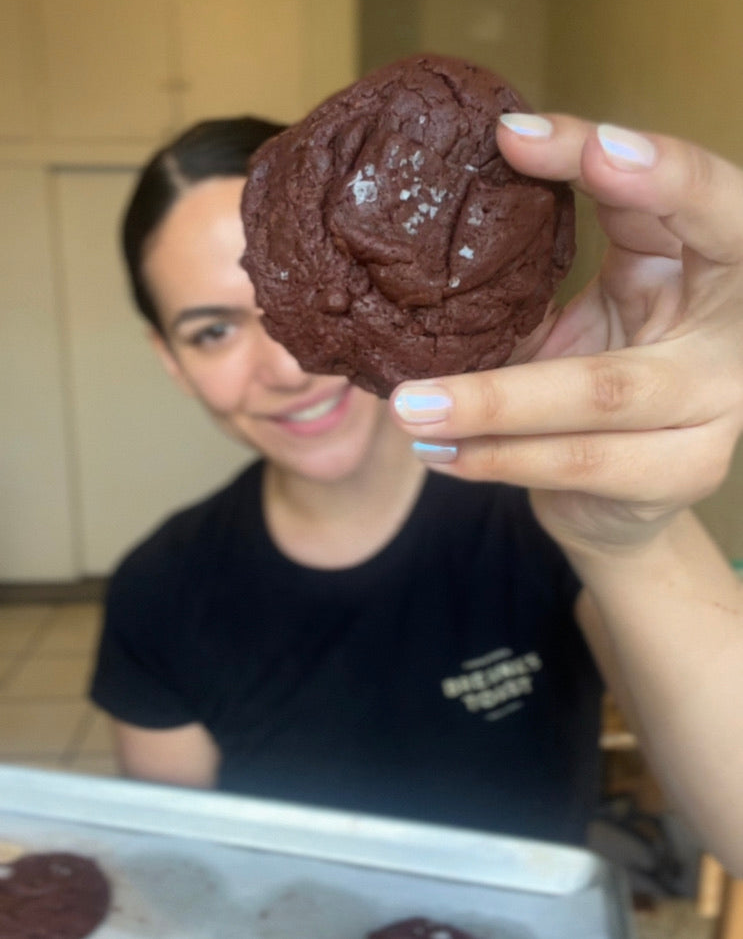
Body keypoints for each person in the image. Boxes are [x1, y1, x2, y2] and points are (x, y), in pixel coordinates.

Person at [90, 111, 743, 877]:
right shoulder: (158, 590)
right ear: (169, 359)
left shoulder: (541, 509)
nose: (287, 365)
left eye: (299, 288)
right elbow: (177, 869)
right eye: (212, 331)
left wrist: (627, 538)